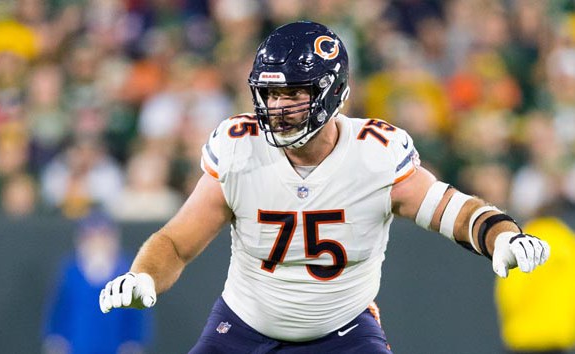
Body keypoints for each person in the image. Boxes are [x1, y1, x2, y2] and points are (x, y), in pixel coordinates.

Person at [99, 21, 550, 353]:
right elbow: (177, 243)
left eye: (292, 93)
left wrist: (501, 235)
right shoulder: (240, 148)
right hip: (242, 329)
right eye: (270, 94)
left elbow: (450, 210)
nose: (277, 107)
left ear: (331, 93)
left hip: (345, 334)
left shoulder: (374, 153)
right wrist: (145, 276)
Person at [44, 210, 151, 354]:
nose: (97, 242)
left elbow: (137, 319)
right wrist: (56, 340)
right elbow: (59, 311)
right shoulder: (70, 271)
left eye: (103, 236)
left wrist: (133, 343)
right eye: (91, 237)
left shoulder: (128, 273)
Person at [495, 215, 575, 354]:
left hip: (523, 340)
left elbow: (509, 293)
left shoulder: (521, 242)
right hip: (557, 340)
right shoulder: (566, 239)